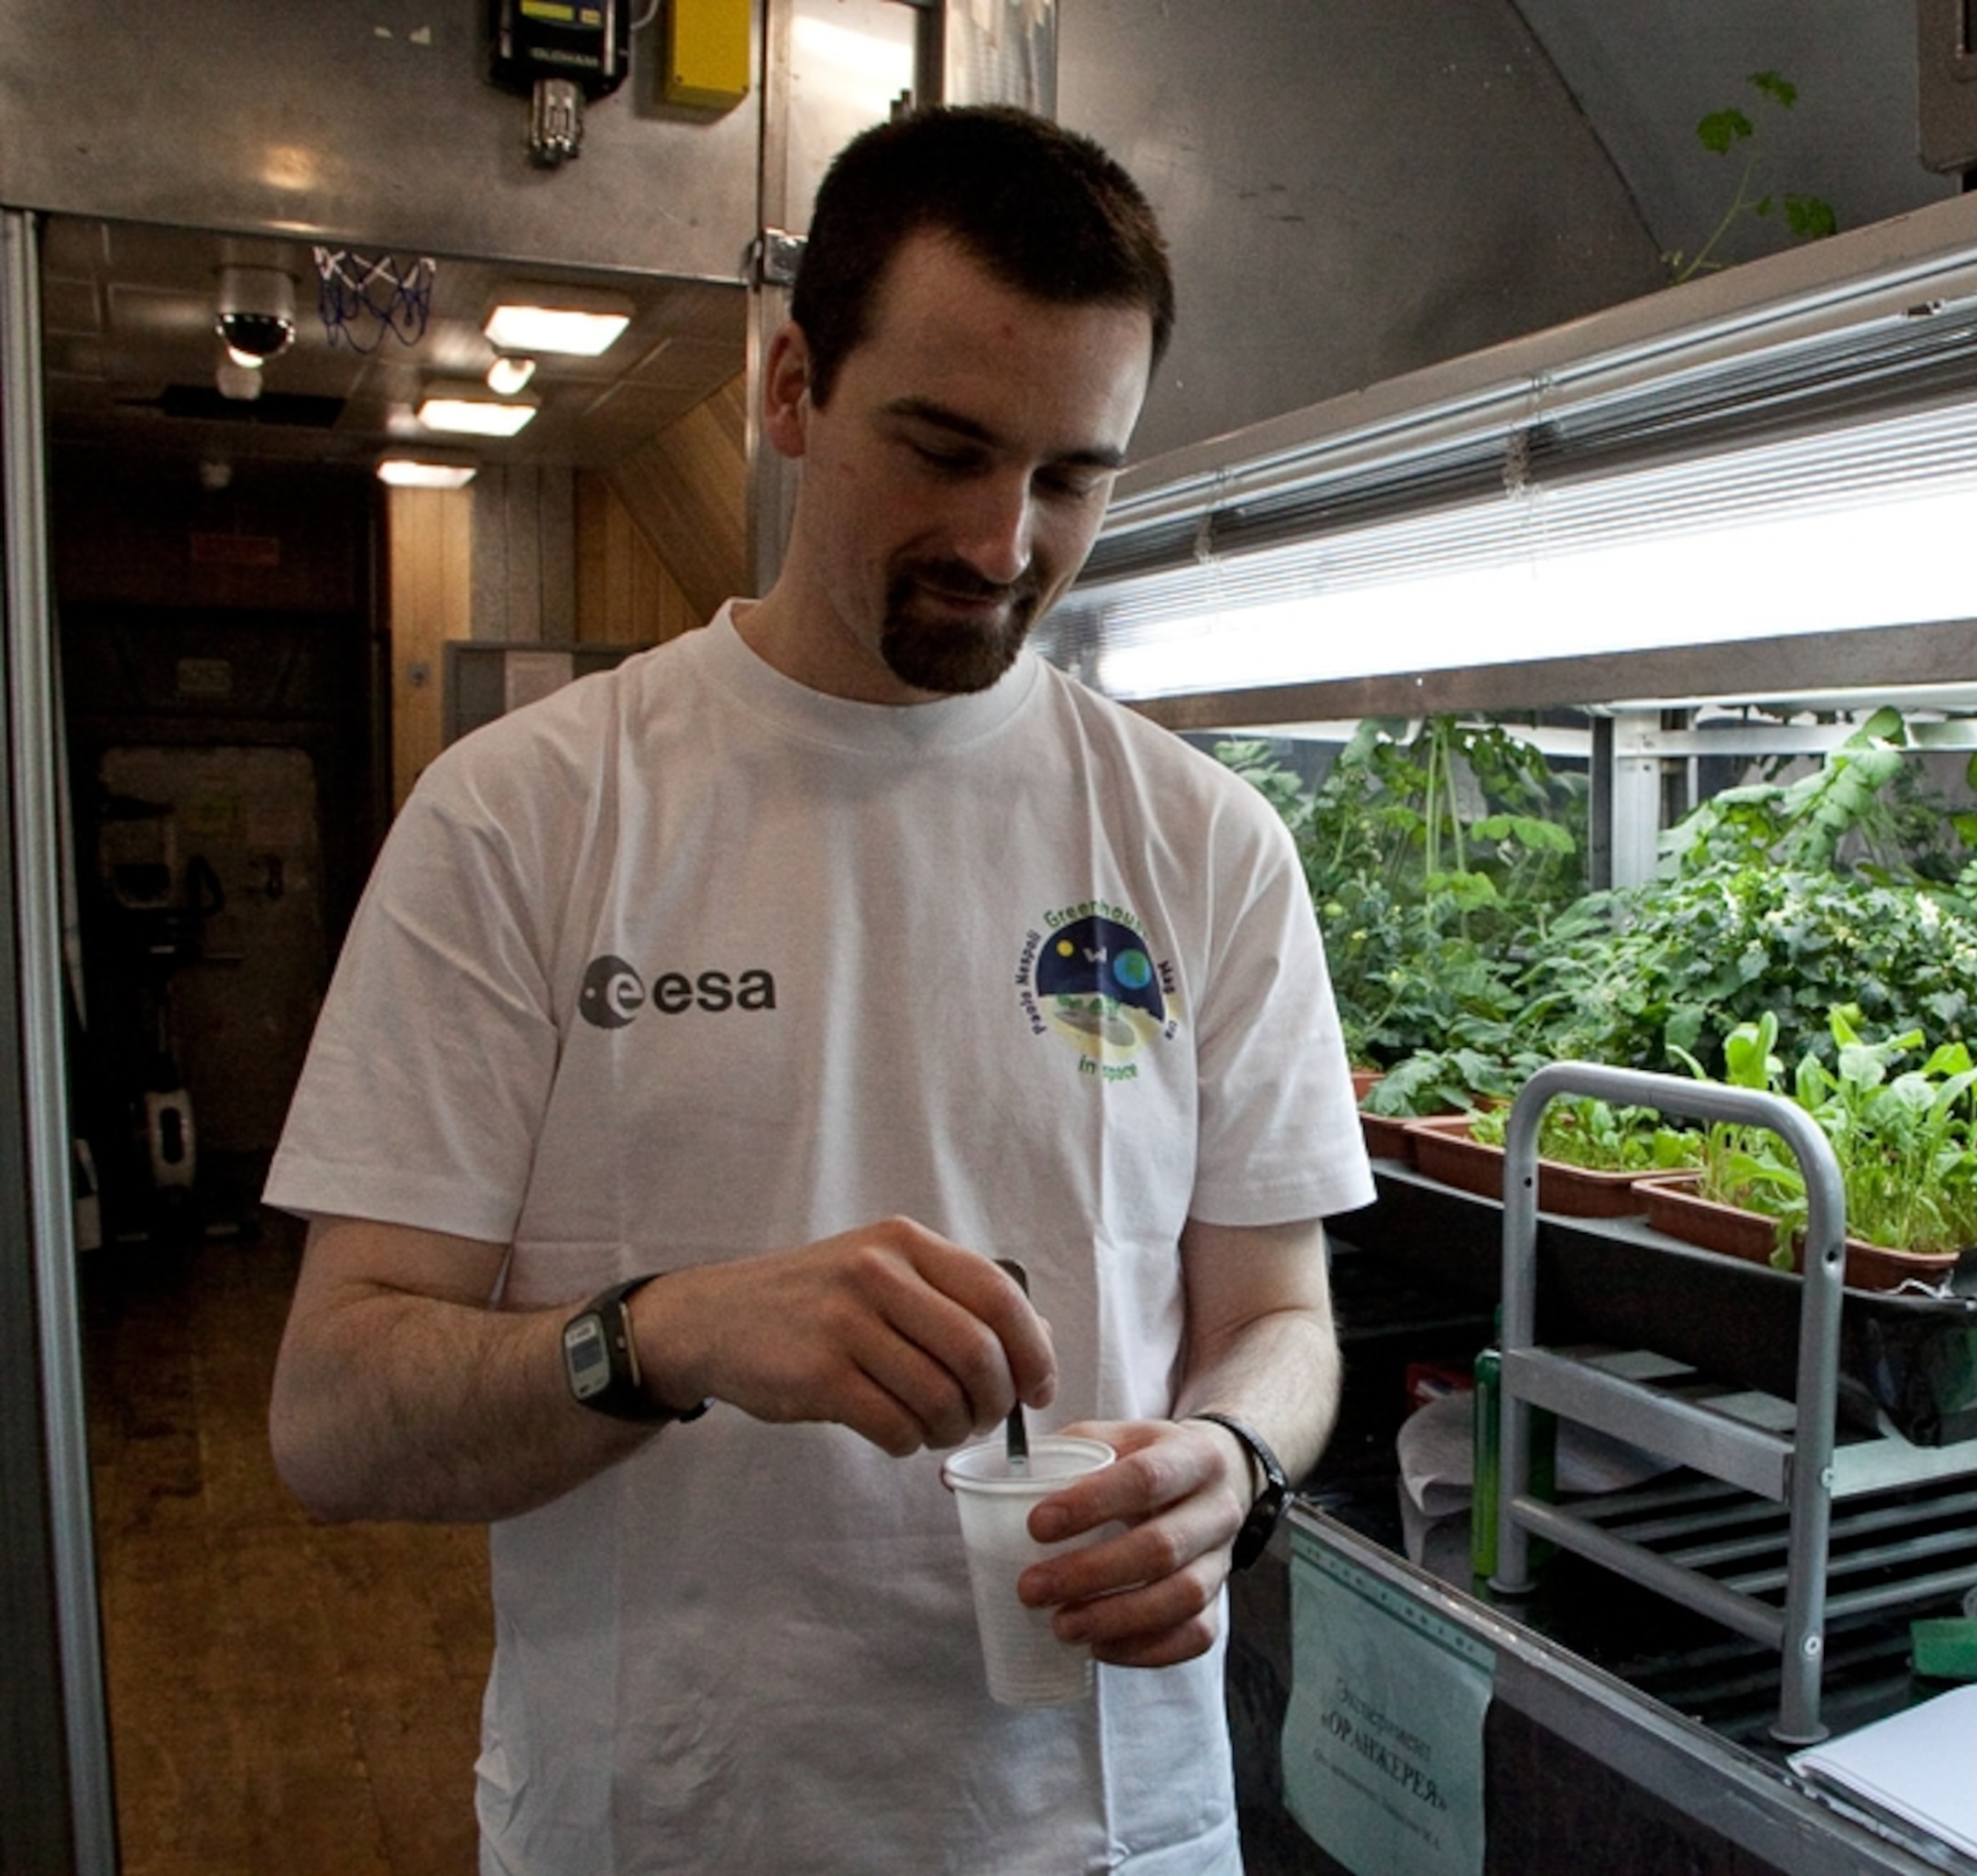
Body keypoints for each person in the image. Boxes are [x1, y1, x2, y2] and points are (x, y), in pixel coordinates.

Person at [264, 104, 1373, 1875]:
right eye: (945, 449)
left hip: (1106, 1833)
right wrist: (666, 1335)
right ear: (792, 392)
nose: (1004, 542)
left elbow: (1280, 1317)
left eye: (1073, 478)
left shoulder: (1203, 843)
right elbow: (331, 1419)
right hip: (663, 1827)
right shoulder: (530, 814)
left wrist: (1235, 1463)